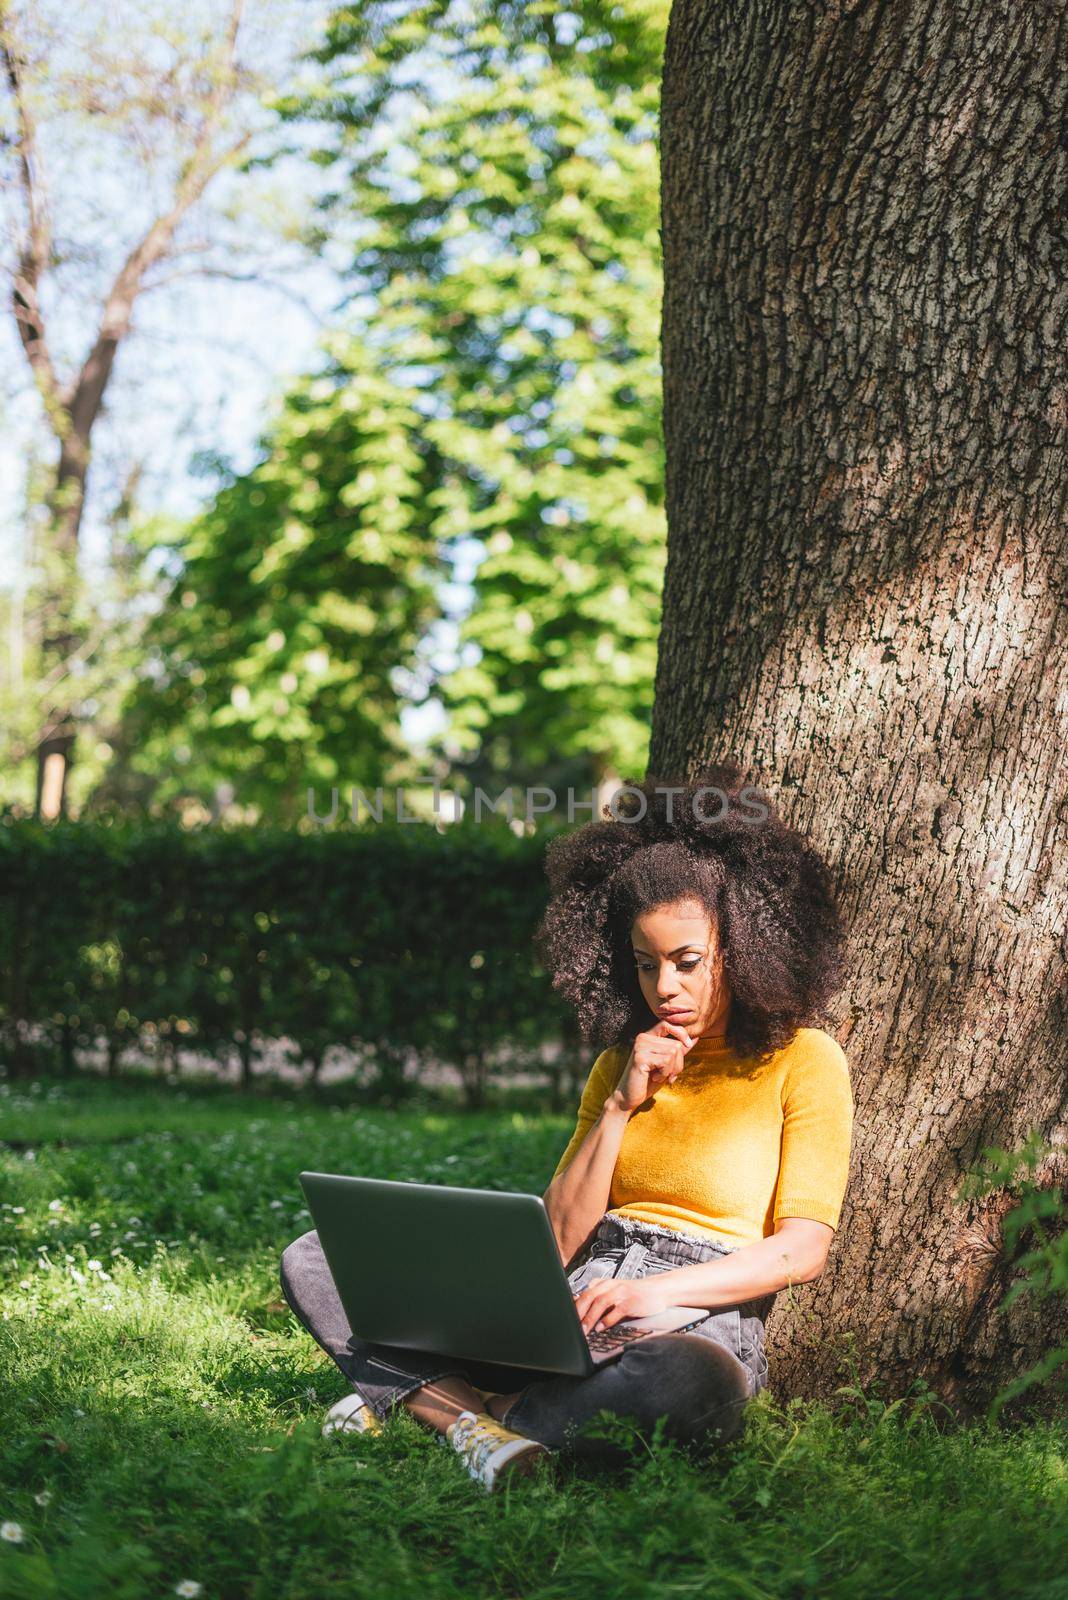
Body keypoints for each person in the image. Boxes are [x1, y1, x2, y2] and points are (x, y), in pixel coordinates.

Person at [280, 763, 855, 1491]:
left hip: (695, 1313)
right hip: (573, 1297)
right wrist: (621, 1103)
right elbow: (558, 1239)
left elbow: (801, 1253)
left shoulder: (805, 1059)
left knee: (686, 1385)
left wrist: (649, 1295)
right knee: (318, 1255)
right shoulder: (619, 1063)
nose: (664, 988)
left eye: (687, 962)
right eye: (645, 966)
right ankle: (480, 1425)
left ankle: (444, 1408)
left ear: (744, 947)